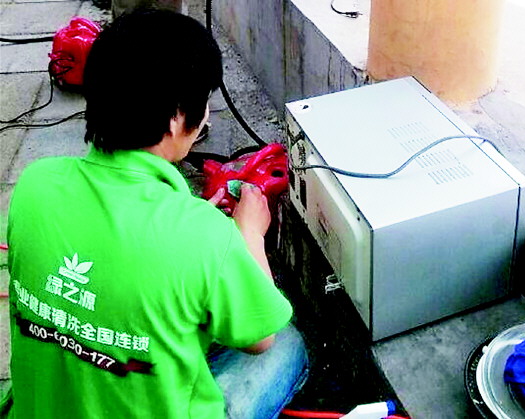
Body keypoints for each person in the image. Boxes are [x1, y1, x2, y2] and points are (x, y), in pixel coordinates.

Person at [4, 9, 307, 419]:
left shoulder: (34, 185)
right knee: (287, 346)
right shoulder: (204, 235)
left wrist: (192, 231)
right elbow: (261, 337)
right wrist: (249, 234)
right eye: (203, 102)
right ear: (177, 118)